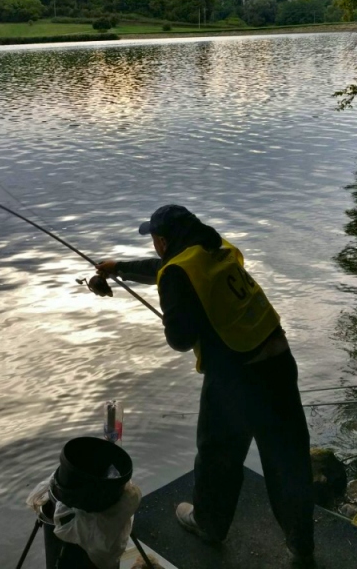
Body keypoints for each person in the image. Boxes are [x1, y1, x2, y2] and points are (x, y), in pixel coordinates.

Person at [92, 205, 315, 565]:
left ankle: (208, 524)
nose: (154, 246)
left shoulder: (177, 274)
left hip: (237, 375)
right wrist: (120, 269)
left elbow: (180, 338)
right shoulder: (214, 248)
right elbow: (169, 270)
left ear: (162, 240)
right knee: (287, 458)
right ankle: (301, 541)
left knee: (216, 454)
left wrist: (172, 314)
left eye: (153, 239)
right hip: (278, 359)